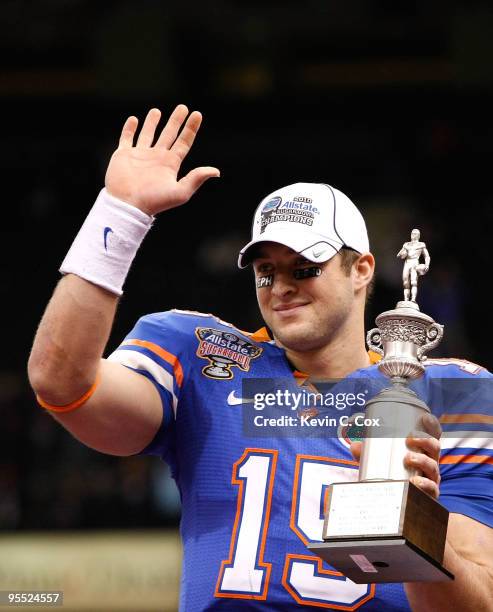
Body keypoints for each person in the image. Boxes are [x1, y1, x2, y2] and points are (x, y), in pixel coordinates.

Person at [28, 105, 493, 611]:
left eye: (305, 267)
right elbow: (61, 383)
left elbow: (476, 603)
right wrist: (120, 214)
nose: (282, 287)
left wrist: (417, 522)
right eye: (266, 270)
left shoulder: (450, 392)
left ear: (361, 270)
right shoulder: (204, 355)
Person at [397, 229, 430, 303]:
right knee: (405, 283)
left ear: (418, 235)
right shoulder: (406, 244)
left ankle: (413, 299)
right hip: (407, 263)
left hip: (415, 262)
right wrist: (402, 254)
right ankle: (406, 300)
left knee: (414, 282)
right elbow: (399, 254)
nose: (413, 234)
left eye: (415, 233)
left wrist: (427, 264)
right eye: (412, 233)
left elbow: (427, 256)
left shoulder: (421, 245)